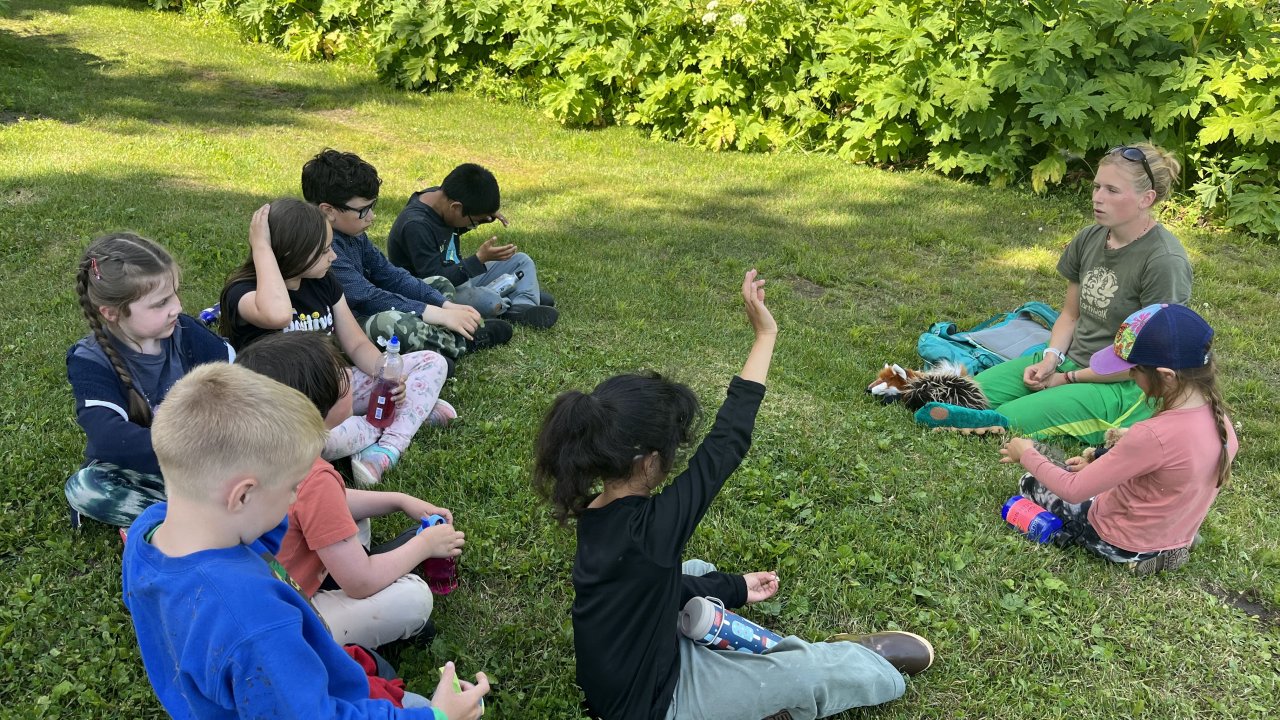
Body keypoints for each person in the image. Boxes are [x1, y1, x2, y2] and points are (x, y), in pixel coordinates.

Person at [532, 271, 932, 720]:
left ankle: (735, 664)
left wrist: (736, 587)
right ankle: (865, 661)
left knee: (695, 572)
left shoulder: (599, 514)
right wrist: (765, 334)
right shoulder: (652, 531)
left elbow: (655, 589)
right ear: (648, 460)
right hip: (657, 706)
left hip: (638, 660)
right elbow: (728, 441)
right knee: (799, 674)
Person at [121, 362, 489, 718]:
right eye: (293, 487)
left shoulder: (149, 530)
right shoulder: (256, 624)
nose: (297, 499)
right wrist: (438, 716)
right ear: (242, 496)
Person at [931, 144, 1192, 445]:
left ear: (1147, 199)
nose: (1097, 197)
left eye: (1112, 190)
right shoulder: (1089, 237)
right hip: (1070, 360)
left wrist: (1066, 379)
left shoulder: (1164, 262)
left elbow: (1147, 361)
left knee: (1006, 419)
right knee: (965, 395)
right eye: (1096, 187)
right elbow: (1070, 315)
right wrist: (1051, 360)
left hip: (1124, 384)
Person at [237, 332, 464, 649]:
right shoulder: (314, 475)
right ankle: (341, 631)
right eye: (342, 378)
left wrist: (400, 500)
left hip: (246, 600)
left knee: (353, 517)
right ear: (319, 406)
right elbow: (360, 583)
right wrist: (425, 545)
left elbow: (325, 506)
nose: (351, 378)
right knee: (414, 598)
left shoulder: (257, 455)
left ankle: (345, 568)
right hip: (278, 626)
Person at [219, 199, 451, 485]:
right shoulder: (243, 293)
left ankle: (386, 447)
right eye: (325, 251)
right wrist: (262, 248)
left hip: (338, 390)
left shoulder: (324, 283)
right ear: (292, 254)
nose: (334, 257)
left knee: (432, 361)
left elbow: (355, 344)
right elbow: (278, 314)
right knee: (315, 444)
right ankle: (398, 421)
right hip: (290, 415)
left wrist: (386, 376)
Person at [999, 303, 1238, 575]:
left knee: (1030, 483)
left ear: (1167, 376)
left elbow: (1073, 490)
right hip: (1174, 530)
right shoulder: (1223, 425)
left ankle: (1121, 551)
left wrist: (1026, 454)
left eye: (1134, 371)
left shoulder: (1151, 434)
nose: (1130, 377)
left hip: (1119, 540)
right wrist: (1097, 466)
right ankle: (1168, 546)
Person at [66, 233, 234, 527]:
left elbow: (239, 381)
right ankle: (207, 514)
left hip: (214, 456)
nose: (177, 307)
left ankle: (202, 511)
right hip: (151, 467)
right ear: (112, 313)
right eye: (160, 303)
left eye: (174, 295)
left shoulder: (186, 331)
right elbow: (111, 440)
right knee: (85, 487)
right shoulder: (90, 360)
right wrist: (193, 453)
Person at [300, 149, 512, 368]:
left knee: (439, 285)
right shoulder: (323, 248)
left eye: (372, 207)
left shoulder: (354, 235)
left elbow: (391, 275)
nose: (372, 217)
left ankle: (436, 339)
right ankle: (461, 343)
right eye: (363, 210)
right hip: (345, 330)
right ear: (328, 211)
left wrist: (444, 305)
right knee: (391, 323)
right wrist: (435, 313)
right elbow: (367, 297)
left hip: (368, 311)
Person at [386, 162, 558, 329]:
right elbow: (437, 281)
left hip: (459, 278)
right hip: (434, 294)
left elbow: (451, 229)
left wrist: (482, 215)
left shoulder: (442, 199)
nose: (474, 225)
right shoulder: (416, 225)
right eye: (473, 221)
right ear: (456, 207)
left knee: (521, 261)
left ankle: (522, 306)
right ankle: (513, 296)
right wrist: (478, 259)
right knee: (488, 301)